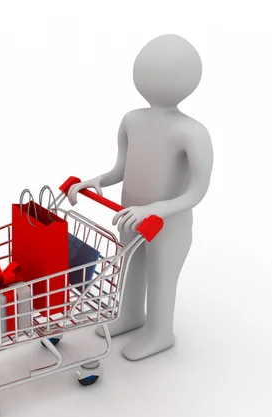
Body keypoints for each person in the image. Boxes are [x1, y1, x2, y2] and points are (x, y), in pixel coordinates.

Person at [68, 34, 213, 360]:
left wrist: (158, 209)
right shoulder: (132, 120)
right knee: (130, 269)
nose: (153, 75)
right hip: (129, 216)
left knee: (161, 275)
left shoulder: (192, 132)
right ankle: (131, 315)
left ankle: (160, 332)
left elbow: (197, 191)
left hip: (167, 225)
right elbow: (121, 168)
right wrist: (95, 181)